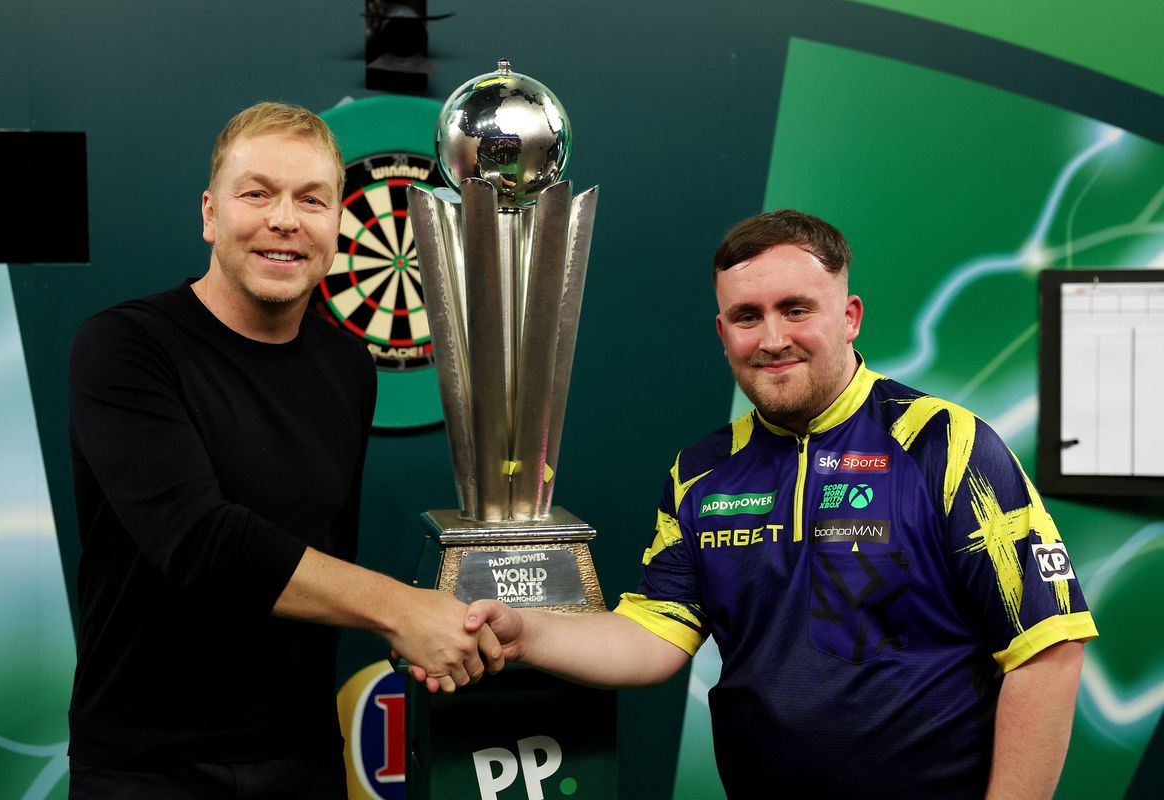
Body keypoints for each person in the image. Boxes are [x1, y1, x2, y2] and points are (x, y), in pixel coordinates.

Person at [464, 210, 1098, 798]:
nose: (771, 339)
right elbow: (653, 636)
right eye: (747, 316)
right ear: (722, 331)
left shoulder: (944, 444)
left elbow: (1049, 647)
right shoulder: (703, 472)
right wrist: (528, 633)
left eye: (796, 309)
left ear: (849, 317)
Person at [67, 101, 493, 798]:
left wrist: (439, 629)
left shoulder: (348, 366)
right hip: (147, 766)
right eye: (257, 193)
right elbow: (200, 540)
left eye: (311, 200)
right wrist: (402, 610)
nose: (284, 220)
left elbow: (325, 550)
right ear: (210, 214)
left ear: (335, 226)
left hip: (299, 759)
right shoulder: (125, 348)